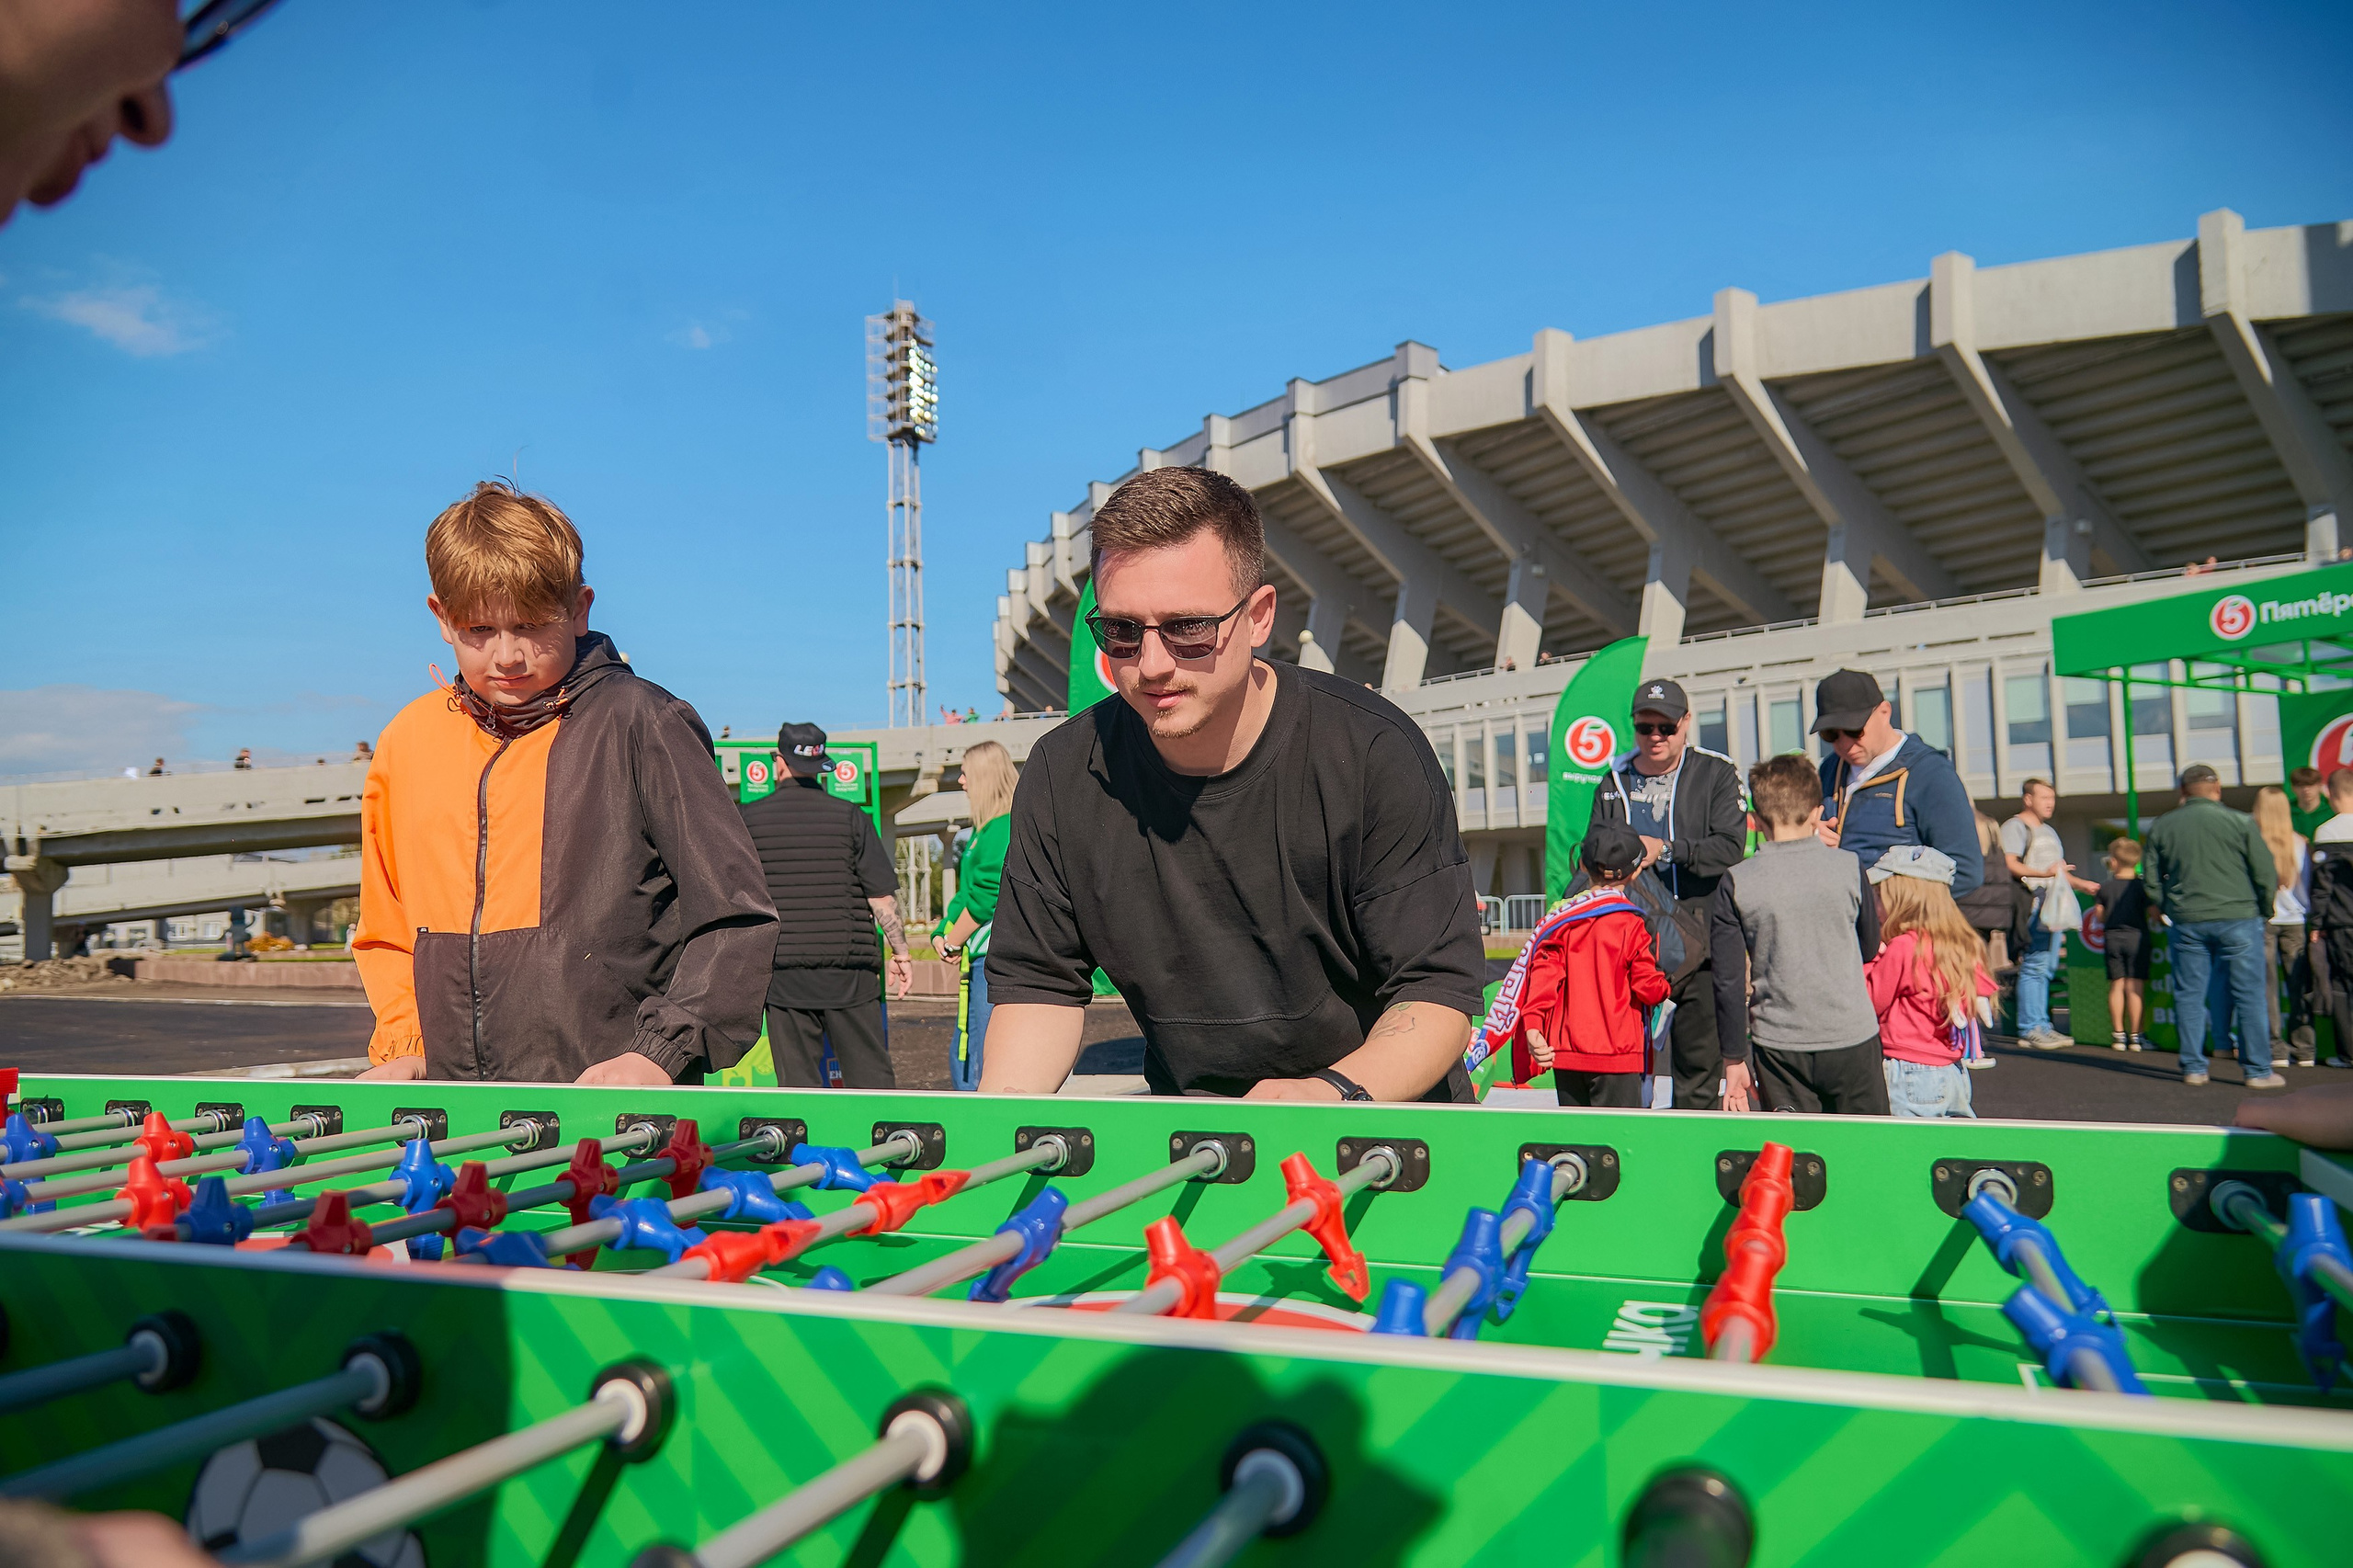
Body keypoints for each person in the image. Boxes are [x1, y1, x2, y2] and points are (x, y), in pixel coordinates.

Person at [981, 465, 1486, 1100]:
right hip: (1193, 1135)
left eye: (1189, 627)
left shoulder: (1371, 750)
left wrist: (1326, 1093)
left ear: (1258, 616)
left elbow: (1435, 992)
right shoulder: (1062, 772)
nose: (1152, 665)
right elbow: (1040, 990)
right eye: (1123, 631)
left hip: (1380, 1120)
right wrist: (995, 1141)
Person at [351, 480, 776, 1084]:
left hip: (617, 1110)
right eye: (479, 631)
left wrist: (661, 1053)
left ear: (579, 608)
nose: (507, 656)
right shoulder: (408, 740)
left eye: (530, 625)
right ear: (440, 618)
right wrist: (405, 1045)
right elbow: (386, 923)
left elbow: (734, 914)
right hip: (452, 1111)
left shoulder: (642, 721)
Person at [1585, 676, 1747, 1108]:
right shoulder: (1613, 779)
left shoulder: (1716, 771)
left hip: (1702, 944)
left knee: (1697, 1074)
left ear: (1686, 723)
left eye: (1666, 727)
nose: (1655, 737)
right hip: (1631, 947)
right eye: (1645, 728)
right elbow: (1593, 850)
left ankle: (1690, 1160)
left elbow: (1731, 847)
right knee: (1627, 1070)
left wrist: (1668, 851)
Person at [1711, 753, 1888, 1115]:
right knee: (1867, 1154)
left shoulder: (1736, 881)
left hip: (1778, 1042)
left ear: (1755, 821)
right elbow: (1869, 947)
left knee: (1797, 1161)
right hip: (1850, 1034)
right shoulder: (1849, 866)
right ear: (1816, 813)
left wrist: (1733, 1059)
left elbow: (1727, 981)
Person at [739, 722, 913, 1089]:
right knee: (871, 1079)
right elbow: (881, 900)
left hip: (784, 973)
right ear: (822, 765)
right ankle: (881, 1144)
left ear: (779, 763)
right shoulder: (852, 817)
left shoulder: (749, 820)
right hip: (850, 974)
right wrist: (901, 954)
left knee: (798, 1086)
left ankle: (804, 1148)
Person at [1495, 824, 1669, 1108]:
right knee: (1617, 1144)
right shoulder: (1633, 924)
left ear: (1583, 866)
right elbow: (1648, 988)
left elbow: (1543, 977)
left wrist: (1533, 1025)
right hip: (1619, 1056)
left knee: (1577, 1143)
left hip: (1567, 1054)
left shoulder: (1562, 920)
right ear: (1635, 872)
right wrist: (1665, 984)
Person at [2141, 764, 2281, 1088]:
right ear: (2217, 788)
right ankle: (2258, 1071)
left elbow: (2149, 878)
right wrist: (2264, 908)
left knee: (2189, 994)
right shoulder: (2240, 821)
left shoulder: (2163, 825)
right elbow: (2264, 873)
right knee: (2249, 995)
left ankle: (2194, 1067)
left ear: (2182, 791)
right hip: (2240, 917)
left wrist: (2168, 905)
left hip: (2187, 919)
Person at [1813, 669, 1984, 893]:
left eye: (1854, 730)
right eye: (1831, 735)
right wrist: (1810, 838)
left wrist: (1892, 906)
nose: (1845, 743)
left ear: (1884, 712)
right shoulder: (1829, 769)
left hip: (1902, 925)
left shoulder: (1931, 772)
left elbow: (1965, 871)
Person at [1866, 845, 1995, 1118]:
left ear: (1903, 898)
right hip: (1953, 1071)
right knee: (1946, 1153)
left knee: (1906, 1152)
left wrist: (1870, 961)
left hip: (1908, 1068)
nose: (1875, 905)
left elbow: (1870, 1001)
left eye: (1879, 895)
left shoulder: (1904, 947)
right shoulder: (1960, 944)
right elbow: (1981, 987)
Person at [936, 740, 1017, 1092]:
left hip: (993, 962)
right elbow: (967, 895)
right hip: (980, 962)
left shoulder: (1001, 828)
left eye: (966, 773)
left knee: (980, 1065)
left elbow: (986, 895)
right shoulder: (986, 831)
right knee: (968, 1060)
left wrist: (952, 942)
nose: (961, 782)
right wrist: (942, 932)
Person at [2001, 779, 2100, 1050]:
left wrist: (2083, 885)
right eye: (2044, 797)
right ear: (2028, 799)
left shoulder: (2049, 832)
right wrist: (2044, 873)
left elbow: (2058, 872)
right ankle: (2030, 1028)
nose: (2050, 803)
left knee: (2046, 967)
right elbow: (2010, 864)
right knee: (2035, 965)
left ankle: (2041, 1024)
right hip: (2032, 906)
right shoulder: (2015, 827)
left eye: (2052, 798)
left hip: (2051, 907)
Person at [2253, 785, 2315, 1068]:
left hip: (2263, 919)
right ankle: (2305, 1048)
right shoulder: (2300, 842)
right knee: (2299, 985)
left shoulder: (2252, 840)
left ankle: (2275, 1048)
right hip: (2296, 920)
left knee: (2267, 987)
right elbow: (2308, 888)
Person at [2303, 767, 2353, 1071]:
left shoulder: (2326, 832)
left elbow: (2322, 888)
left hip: (2341, 923)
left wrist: (2316, 924)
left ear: (2331, 796)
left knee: (2343, 988)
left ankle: (2348, 1054)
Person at [2094, 838, 2153, 1051]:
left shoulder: (2106, 888)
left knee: (2117, 985)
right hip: (2137, 937)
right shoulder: (2141, 887)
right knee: (2135, 986)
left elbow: (2100, 917)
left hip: (2112, 939)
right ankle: (2137, 1036)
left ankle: (2118, 1034)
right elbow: (2154, 914)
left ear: (2114, 862)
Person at [2290, 765, 2331, 842]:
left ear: (2320, 786)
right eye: (2300, 786)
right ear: (2293, 788)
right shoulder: (2286, 810)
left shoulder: (2332, 809)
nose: (2306, 790)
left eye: (2310, 784)